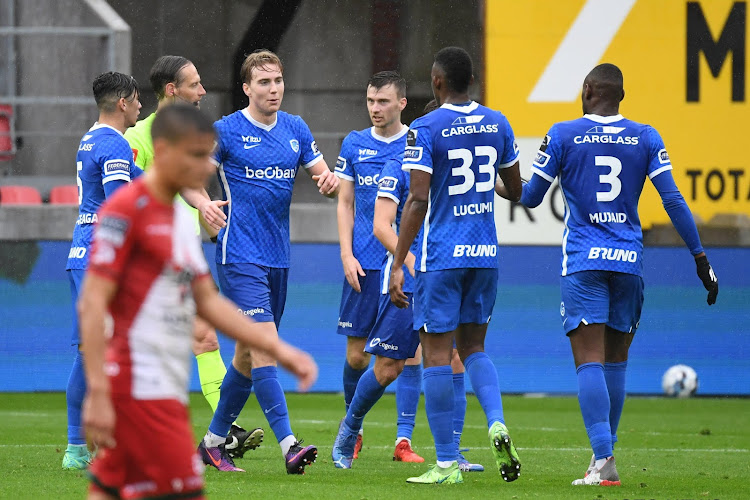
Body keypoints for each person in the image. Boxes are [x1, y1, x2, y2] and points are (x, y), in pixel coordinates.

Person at [80, 104, 318, 500]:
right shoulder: (125, 211)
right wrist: (100, 394)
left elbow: (207, 301)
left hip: (167, 393)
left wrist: (280, 351)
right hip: (132, 392)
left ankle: (213, 440)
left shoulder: (177, 220)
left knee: (114, 489)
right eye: (197, 155)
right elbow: (91, 305)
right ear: (165, 150)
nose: (208, 167)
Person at [511, 63, 719, 486]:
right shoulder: (645, 136)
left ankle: (604, 460)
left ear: (587, 90)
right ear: (621, 96)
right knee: (616, 364)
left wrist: (496, 184)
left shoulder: (564, 134)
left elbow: (530, 196)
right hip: (627, 262)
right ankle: (601, 458)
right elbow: (673, 200)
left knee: (589, 361)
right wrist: (700, 257)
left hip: (584, 262)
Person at [197, 49, 339, 474]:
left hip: (278, 257)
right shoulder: (225, 130)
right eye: (264, 82)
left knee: (245, 355)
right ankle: (289, 445)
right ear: (247, 88)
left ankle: (212, 442)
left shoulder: (295, 128)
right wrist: (205, 206)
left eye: (277, 81)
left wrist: (329, 182)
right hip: (238, 255)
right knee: (264, 345)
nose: (273, 88)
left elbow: (321, 173)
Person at [390, 46, 523, 485]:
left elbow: (417, 198)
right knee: (475, 349)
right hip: (485, 253)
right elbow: (515, 189)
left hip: (442, 256)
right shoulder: (498, 123)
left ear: (438, 82)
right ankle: (497, 422)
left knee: (436, 356)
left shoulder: (424, 128)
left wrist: (396, 262)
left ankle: (446, 463)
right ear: (475, 82)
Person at [125, 55, 263, 459]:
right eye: (195, 84)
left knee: (204, 339)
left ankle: (225, 431)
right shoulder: (139, 137)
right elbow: (130, 196)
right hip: (151, 261)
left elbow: (189, 186)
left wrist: (205, 207)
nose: (203, 92)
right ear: (172, 90)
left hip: (185, 258)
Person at [333, 71, 422, 461]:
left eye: (383, 101)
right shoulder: (354, 143)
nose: (375, 108)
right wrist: (346, 254)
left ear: (402, 103)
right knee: (357, 356)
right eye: (370, 101)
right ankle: (354, 428)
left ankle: (404, 440)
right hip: (365, 263)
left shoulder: (417, 144)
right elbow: (344, 203)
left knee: (410, 356)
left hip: (406, 264)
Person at [62, 71, 143, 470]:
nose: (142, 106)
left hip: (85, 252)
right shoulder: (112, 143)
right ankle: (84, 446)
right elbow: (118, 207)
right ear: (123, 103)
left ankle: (83, 447)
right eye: (137, 100)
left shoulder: (91, 138)